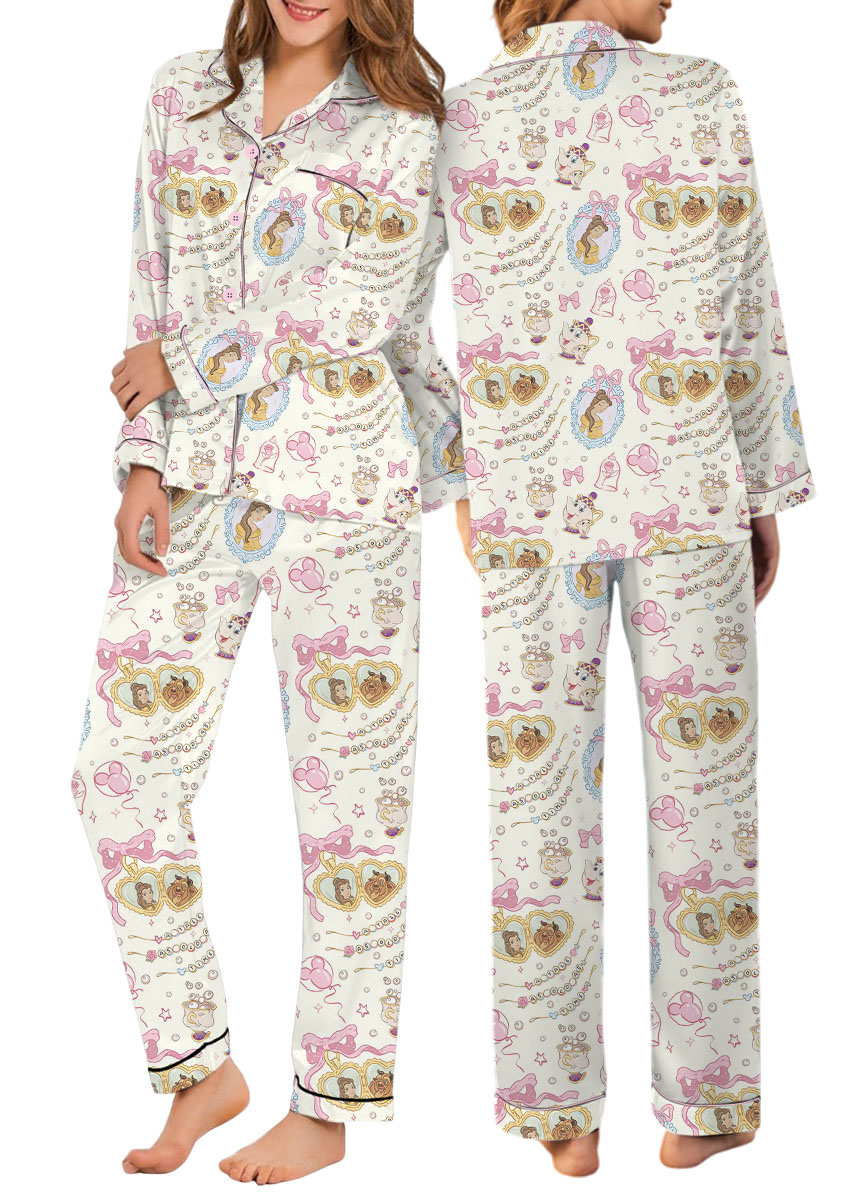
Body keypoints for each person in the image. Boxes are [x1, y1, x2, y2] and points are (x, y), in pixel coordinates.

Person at [72, 0, 462, 1183]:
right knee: (117, 779)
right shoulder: (181, 94)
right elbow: (148, 284)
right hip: (195, 485)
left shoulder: (411, 123)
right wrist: (143, 460)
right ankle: (200, 1068)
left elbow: (366, 312)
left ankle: (325, 1109)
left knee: (352, 818)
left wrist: (188, 362)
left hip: (349, 490)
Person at [425, 0, 813, 1175]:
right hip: (687, 486)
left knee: (534, 800)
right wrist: (761, 483)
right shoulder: (700, 91)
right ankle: (706, 1105)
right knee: (706, 801)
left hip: (528, 496)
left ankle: (559, 1113)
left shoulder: (464, 113)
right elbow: (745, 300)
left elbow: (395, 305)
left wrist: (460, 471)